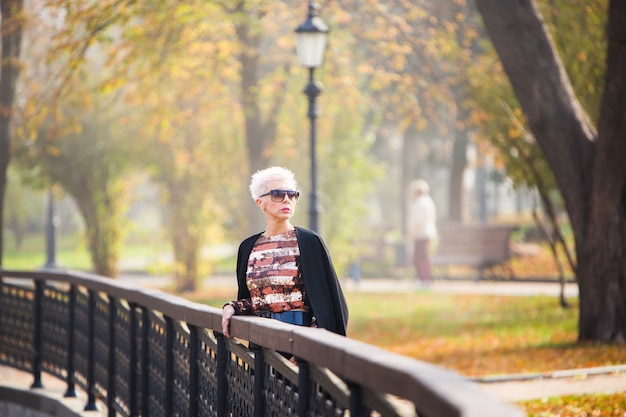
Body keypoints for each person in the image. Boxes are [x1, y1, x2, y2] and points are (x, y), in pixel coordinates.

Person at [221, 166, 349, 341]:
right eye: (278, 194)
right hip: (263, 348)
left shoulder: (309, 243)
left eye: (292, 195)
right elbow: (257, 301)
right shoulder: (248, 247)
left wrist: (306, 350)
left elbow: (328, 306)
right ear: (260, 202)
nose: (286, 200)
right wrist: (232, 307)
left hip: (300, 347)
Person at [408, 179, 437, 285]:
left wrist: (412, 230)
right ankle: (422, 279)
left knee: (421, 258)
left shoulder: (422, 202)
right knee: (419, 257)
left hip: (422, 234)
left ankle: (426, 279)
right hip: (421, 234)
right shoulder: (424, 201)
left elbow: (419, 220)